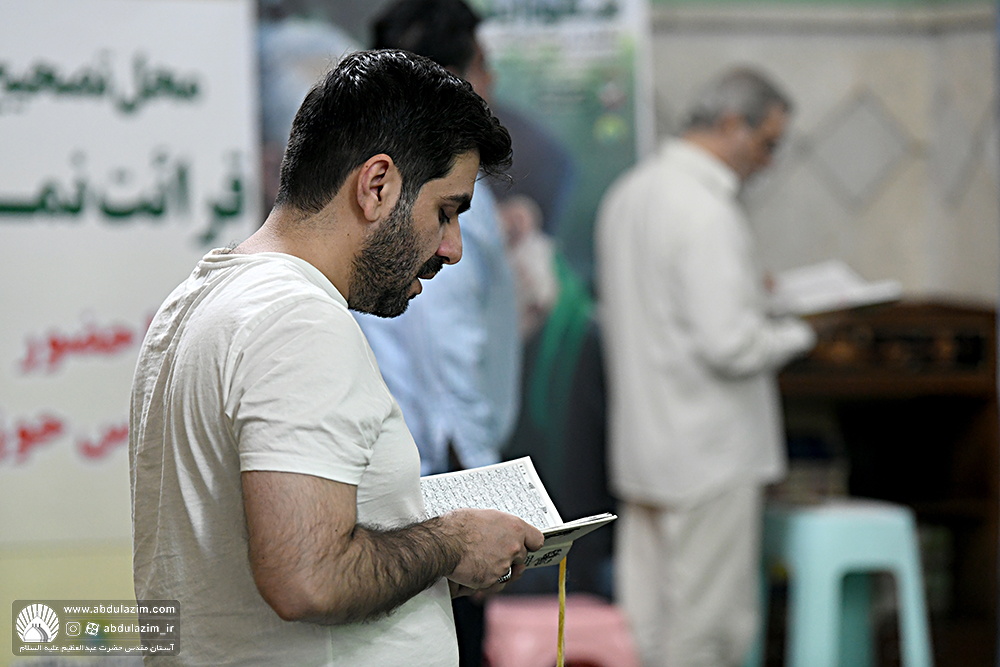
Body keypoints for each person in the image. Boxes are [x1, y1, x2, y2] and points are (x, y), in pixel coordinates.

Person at [129, 49, 545, 666]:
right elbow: (308, 577)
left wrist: (423, 558)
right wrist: (453, 543)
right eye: (445, 212)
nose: (453, 248)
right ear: (377, 187)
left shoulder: (198, 299)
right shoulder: (296, 320)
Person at [595, 68, 817, 667]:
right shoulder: (705, 209)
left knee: (647, 626)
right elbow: (730, 345)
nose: (769, 161)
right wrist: (803, 332)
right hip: (709, 456)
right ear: (730, 125)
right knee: (708, 630)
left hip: (644, 450)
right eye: (767, 143)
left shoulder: (629, 193)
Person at [353, 3, 524, 664]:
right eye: (484, 64)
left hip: (413, 467)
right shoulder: (431, 188)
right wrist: (481, 486)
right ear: (454, 76)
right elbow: (445, 351)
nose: (494, 81)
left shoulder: (396, 174)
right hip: (434, 473)